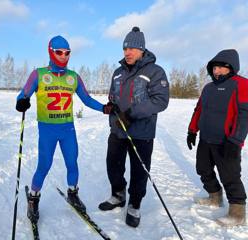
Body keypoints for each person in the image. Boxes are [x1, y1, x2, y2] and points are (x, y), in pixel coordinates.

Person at [16, 35, 110, 222]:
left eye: (67, 53)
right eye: (59, 52)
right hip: (47, 130)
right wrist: (21, 102)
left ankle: (73, 193)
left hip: (67, 130)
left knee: (72, 162)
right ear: (51, 52)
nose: (64, 56)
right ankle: (33, 198)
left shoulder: (73, 77)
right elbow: (23, 94)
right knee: (44, 165)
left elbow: (87, 99)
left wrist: (104, 108)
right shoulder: (39, 74)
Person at [98, 27, 169, 228]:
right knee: (113, 164)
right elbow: (113, 96)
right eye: (125, 48)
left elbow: (160, 101)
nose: (127, 52)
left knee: (139, 171)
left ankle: (135, 204)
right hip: (118, 130)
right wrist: (111, 106)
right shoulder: (118, 72)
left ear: (142, 50)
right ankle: (118, 195)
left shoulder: (155, 71)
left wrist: (131, 114)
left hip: (142, 132)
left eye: (132, 49)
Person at [187, 49, 247, 227]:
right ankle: (215, 197)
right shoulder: (208, 88)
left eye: (221, 67)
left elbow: (244, 115)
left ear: (231, 67)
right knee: (202, 169)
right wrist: (192, 131)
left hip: (227, 142)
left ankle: (237, 213)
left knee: (230, 176)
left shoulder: (241, 84)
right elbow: (199, 110)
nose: (217, 71)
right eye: (214, 68)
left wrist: (236, 140)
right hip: (206, 139)